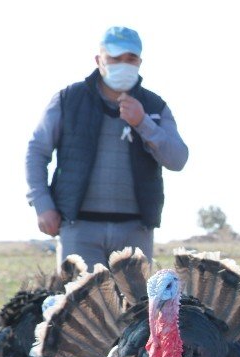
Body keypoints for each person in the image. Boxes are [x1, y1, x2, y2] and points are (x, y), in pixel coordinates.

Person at [26, 26, 188, 268]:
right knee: (81, 306)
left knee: (135, 307)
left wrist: (143, 123)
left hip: (136, 232)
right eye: (114, 58)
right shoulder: (68, 100)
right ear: (98, 60)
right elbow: (36, 152)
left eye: (130, 58)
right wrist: (42, 204)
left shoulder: (154, 106)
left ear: (140, 62)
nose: (123, 64)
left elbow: (178, 159)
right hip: (78, 229)